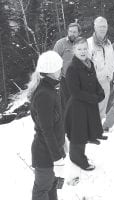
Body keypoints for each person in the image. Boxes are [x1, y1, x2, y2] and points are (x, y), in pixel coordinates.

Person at [28, 51, 66, 200]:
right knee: (41, 190)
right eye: (59, 67)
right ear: (52, 70)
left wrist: (63, 141)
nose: (61, 70)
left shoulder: (50, 89)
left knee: (51, 188)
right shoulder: (44, 94)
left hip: (53, 150)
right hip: (45, 154)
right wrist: (57, 159)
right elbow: (46, 130)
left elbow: (55, 123)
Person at [64, 37, 105, 171]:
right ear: (74, 50)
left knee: (87, 129)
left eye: (85, 48)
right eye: (79, 49)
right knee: (78, 134)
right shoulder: (72, 68)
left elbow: (94, 81)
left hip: (89, 104)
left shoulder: (90, 63)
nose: (82, 51)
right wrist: (93, 98)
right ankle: (77, 158)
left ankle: (90, 139)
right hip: (78, 106)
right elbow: (75, 92)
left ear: (88, 49)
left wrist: (100, 92)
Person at [87, 16, 114, 122]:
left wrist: (110, 75)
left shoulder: (108, 44)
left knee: (102, 108)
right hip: (92, 82)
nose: (102, 29)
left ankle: (97, 130)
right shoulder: (88, 43)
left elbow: (112, 61)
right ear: (95, 27)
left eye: (104, 26)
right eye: (100, 26)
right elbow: (85, 63)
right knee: (92, 107)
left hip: (105, 80)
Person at [53, 22, 81, 110]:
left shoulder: (82, 43)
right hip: (66, 80)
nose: (72, 34)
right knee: (66, 105)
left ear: (79, 33)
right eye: (70, 31)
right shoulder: (60, 43)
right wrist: (58, 76)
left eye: (75, 32)